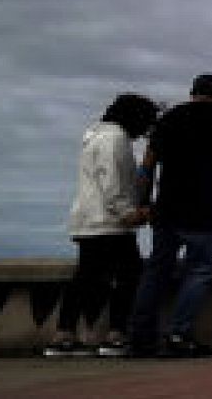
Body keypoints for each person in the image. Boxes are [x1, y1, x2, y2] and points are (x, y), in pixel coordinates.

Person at [129, 73, 212, 357]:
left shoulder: (168, 119)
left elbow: (147, 164)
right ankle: (178, 335)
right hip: (203, 208)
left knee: (156, 270)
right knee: (199, 269)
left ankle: (140, 337)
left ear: (192, 91)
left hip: (166, 207)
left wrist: (143, 202)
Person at [45, 93, 159, 357]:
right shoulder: (114, 140)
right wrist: (129, 213)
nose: (143, 131)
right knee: (130, 276)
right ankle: (115, 335)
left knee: (85, 278)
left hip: (88, 221)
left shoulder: (94, 136)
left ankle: (63, 335)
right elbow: (113, 182)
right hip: (109, 223)